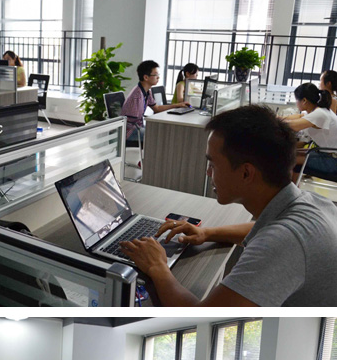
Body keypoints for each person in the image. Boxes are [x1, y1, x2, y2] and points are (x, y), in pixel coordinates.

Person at [119, 105, 337, 306]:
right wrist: (206, 233)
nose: (208, 173)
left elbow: (201, 319)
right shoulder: (310, 202)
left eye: (213, 164)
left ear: (246, 173)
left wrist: (158, 267)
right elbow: (264, 228)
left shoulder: (283, 244)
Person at [122, 60, 190, 144]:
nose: (158, 77)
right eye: (156, 75)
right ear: (146, 77)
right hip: (130, 132)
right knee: (162, 136)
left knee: (163, 133)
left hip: (137, 127)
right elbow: (133, 121)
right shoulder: (137, 96)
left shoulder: (146, 91)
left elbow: (157, 108)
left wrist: (177, 105)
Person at [281, 82, 337, 182]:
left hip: (332, 161)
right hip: (325, 153)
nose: (296, 103)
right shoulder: (317, 110)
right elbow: (299, 116)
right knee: (290, 153)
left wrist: (272, 121)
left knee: (286, 158)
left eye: (296, 100)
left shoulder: (320, 114)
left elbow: (294, 126)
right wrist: (277, 118)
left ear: (304, 101)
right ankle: (292, 187)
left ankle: (287, 189)